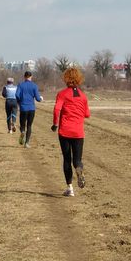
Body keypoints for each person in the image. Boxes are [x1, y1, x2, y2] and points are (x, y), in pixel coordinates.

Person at [52, 67, 91, 197]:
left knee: (67, 159)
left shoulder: (62, 94)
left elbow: (57, 109)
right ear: (79, 79)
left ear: (66, 79)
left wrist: (55, 124)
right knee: (77, 159)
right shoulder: (83, 96)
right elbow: (87, 114)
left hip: (65, 131)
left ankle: (70, 188)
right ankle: (79, 169)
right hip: (78, 132)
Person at [15, 71, 43, 148]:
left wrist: (19, 101)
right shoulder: (34, 86)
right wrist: (40, 99)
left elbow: (17, 95)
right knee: (29, 125)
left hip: (23, 108)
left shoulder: (20, 85)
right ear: (31, 76)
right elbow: (37, 98)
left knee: (22, 124)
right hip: (31, 108)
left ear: (24, 76)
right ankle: (26, 143)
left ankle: (22, 131)